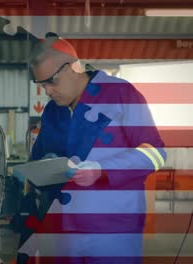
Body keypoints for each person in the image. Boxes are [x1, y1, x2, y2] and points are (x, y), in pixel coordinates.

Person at [18, 32, 167, 264]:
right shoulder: (52, 112)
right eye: (41, 84)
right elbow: (39, 159)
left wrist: (102, 169)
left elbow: (155, 153)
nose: (46, 91)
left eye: (51, 81)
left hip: (113, 229)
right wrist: (46, 165)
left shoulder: (121, 94)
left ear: (73, 68)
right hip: (63, 230)